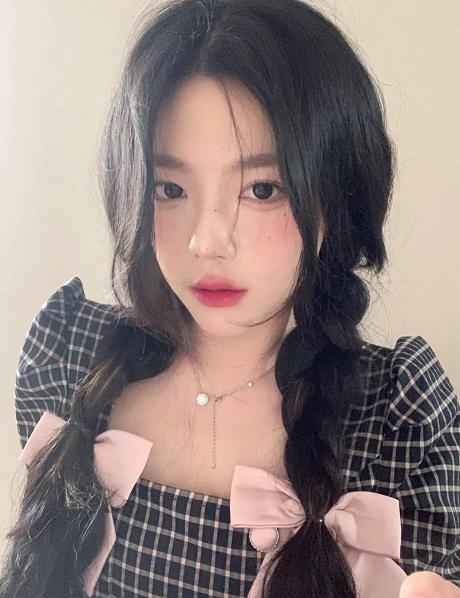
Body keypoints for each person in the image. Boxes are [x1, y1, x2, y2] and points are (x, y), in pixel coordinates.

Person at [1, 0, 459, 597]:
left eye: (262, 189)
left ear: (336, 198)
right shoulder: (69, 358)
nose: (206, 241)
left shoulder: (397, 424)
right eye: (170, 188)